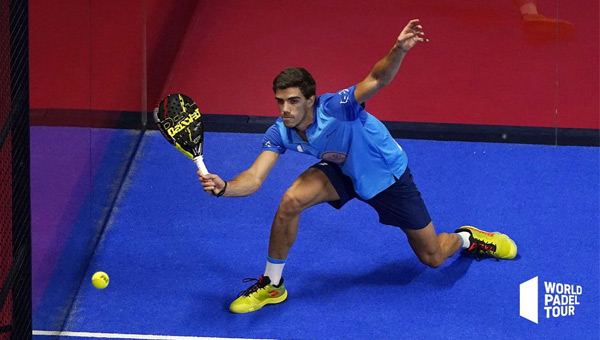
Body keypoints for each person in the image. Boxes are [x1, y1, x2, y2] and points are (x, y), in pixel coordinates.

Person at [199, 19, 517, 314]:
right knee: (290, 201)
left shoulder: (338, 107)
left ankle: (467, 238)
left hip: (386, 177)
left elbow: (376, 78)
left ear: (311, 100)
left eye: (293, 101)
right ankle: (272, 285)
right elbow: (254, 178)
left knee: (432, 257)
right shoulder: (280, 131)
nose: (285, 109)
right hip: (343, 170)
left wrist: (398, 50)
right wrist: (225, 187)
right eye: (280, 101)